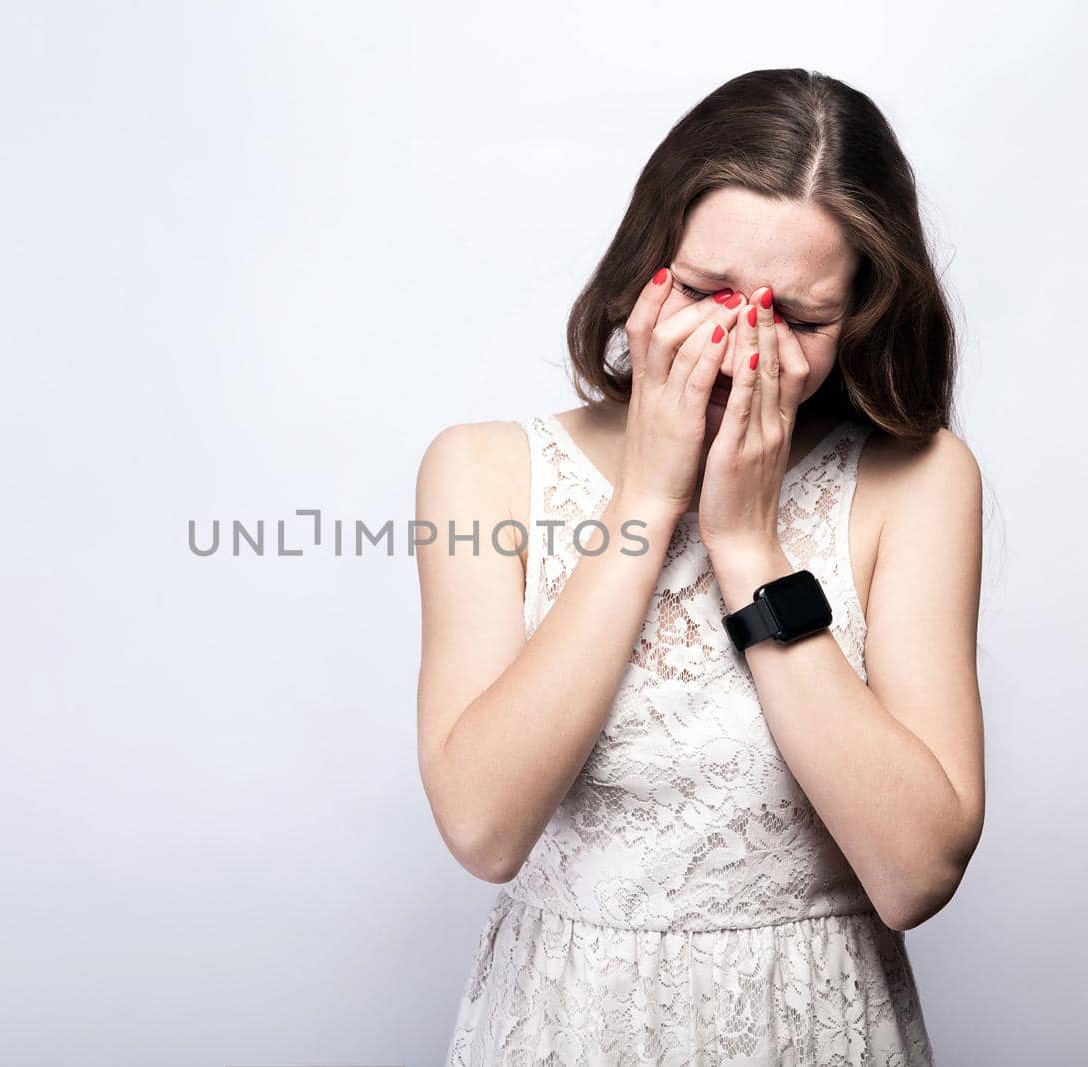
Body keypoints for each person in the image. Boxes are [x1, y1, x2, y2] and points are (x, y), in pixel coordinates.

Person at [414, 68, 984, 1065]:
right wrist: (644, 501)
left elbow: (913, 872)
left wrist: (745, 544)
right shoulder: (480, 469)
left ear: (859, 314)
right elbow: (483, 826)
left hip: (811, 1024)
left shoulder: (917, 480)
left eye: (796, 319)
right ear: (647, 269)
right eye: (707, 294)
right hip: (568, 1022)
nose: (740, 348)